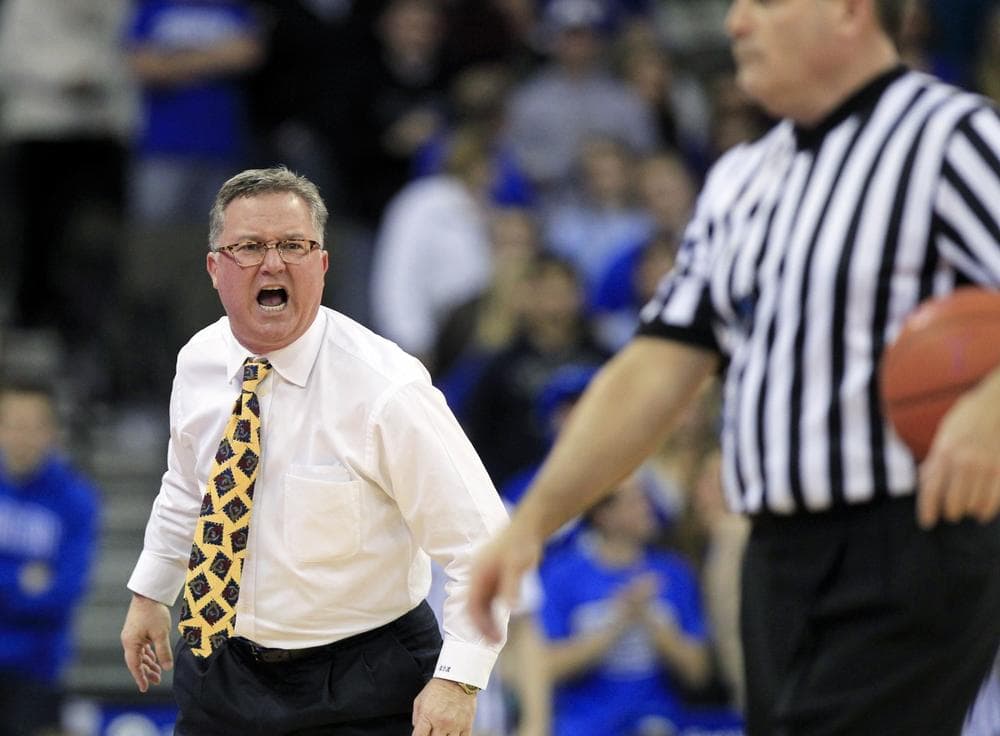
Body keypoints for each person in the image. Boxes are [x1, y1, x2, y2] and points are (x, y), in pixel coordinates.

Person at [468, 1, 1000, 735]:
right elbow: (655, 367)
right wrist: (531, 521)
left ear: (848, 10)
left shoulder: (952, 137)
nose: (737, 23)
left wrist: (989, 408)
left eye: (762, 3)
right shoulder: (740, 180)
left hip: (909, 540)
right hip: (774, 557)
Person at [120, 166, 510, 736]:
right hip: (220, 666)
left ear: (322, 265)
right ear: (215, 268)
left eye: (293, 246)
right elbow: (186, 485)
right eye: (250, 247)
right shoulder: (198, 361)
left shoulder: (387, 388)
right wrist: (151, 592)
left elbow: (484, 546)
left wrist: (458, 679)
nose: (273, 263)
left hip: (365, 681)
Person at [0, 379, 100, 736]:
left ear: (52, 432)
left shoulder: (75, 499)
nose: (21, 436)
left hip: (37, 671)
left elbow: (64, 592)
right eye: (12, 423)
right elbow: (40, 587)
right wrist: (22, 580)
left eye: (32, 425)